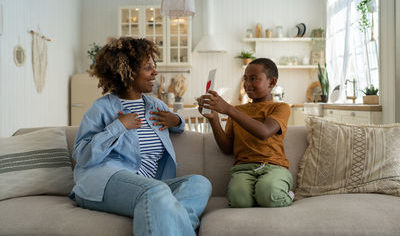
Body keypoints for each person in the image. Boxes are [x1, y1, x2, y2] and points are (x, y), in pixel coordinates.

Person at [71, 37, 212, 236]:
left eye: (154, 66)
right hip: (103, 181)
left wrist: (177, 121)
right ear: (127, 72)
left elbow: (178, 127)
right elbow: (83, 156)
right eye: (147, 67)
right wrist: (119, 126)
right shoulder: (101, 108)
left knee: (200, 183)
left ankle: (168, 223)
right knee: (154, 192)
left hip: (150, 184)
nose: (155, 72)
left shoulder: (156, 106)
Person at [198, 58, 294, 208]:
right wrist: (213, 119)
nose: (247, 84)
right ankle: (259, 195)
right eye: (245, 79)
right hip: (243, 168)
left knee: (268, 193)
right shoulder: (238, 111)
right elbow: (227, 148)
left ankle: (284, 194)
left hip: (274, 167)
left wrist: (229, 109)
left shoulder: (281, 108)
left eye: (254, 79)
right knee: (238, 200)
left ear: (272, 82)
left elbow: (264, 132)